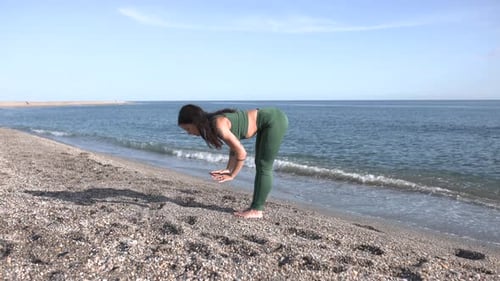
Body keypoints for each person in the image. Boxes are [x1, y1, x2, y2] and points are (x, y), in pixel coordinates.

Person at [178, 104, 288, 218]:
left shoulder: (218, 124)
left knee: (264, 165)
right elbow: (234, 147)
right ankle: (255, 207)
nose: (189, 133)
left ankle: (256, 210)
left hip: (274, 120)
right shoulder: (214, 122)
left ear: (196, 122)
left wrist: (232, 174)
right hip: (269, 119)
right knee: (260, 164)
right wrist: (228, 168)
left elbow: (241, 153)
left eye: (188, 129)